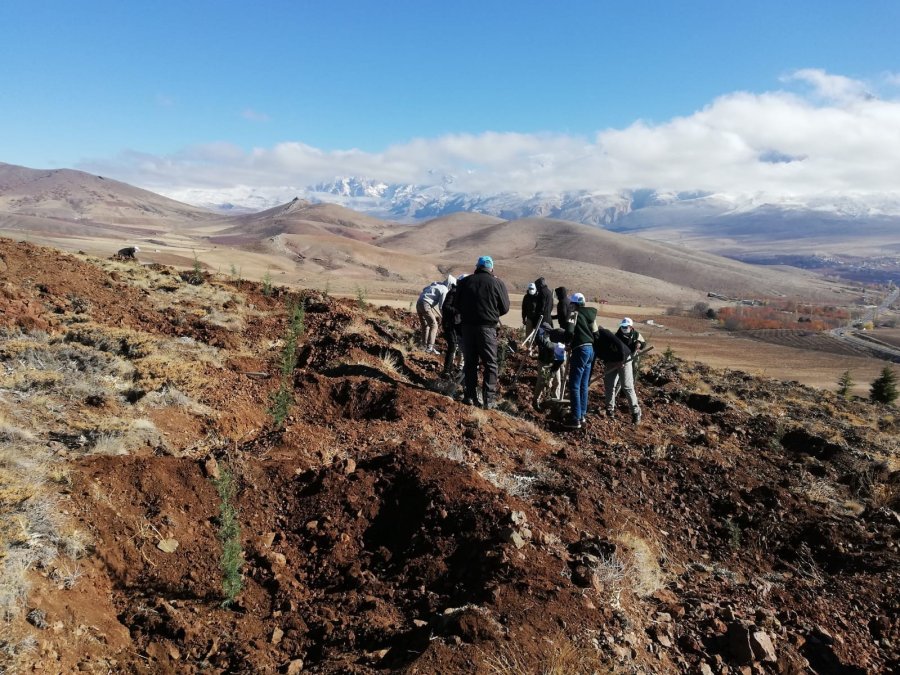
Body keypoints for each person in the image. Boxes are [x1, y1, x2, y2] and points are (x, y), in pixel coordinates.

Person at [456, 255, 510, 409]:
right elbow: (505, 307)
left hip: (467, 328)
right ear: (491, 268)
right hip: (487, 328)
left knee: (470, 362)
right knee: (491, 364)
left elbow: (456, 303)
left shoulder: (465, 282)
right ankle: (489, 400)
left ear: (477, 267)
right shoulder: (497, 283)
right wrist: (491, 313)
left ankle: (470, 396)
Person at [595, 323, 642, 425]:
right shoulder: (592, 341)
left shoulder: (603, 333)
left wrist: (621, 360)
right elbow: (600, 355)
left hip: (624, 358)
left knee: (626, 386)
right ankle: (609, 410)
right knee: (609, 385)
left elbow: (620, 345)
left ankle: (636, 412)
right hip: (611, 361)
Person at [564, 293, 597, 429]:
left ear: (574, 304)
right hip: (590, 350)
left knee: (574, 385)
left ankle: (575, 418)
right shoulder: (591, 316)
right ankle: (582, 415)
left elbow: (570, 332)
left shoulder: (573, 314)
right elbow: (596, 333)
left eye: (571, 303)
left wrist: (567, 342)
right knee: (584, 385)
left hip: (580, 350)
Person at [532, 324, 567, 410]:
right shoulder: (547, 341)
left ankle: (556, 403)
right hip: (544, 362)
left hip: (554, 362)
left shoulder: (561, 344)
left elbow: (559, 362)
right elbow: (540, 330)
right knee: (542, 382)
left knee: (557, 382)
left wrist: (552, 374)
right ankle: (535, 401)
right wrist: (548, 378)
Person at [416, 277, 451, 354]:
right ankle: (430, 348)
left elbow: (424, 289)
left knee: (425, 326)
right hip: (426, 304)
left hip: (419, 302)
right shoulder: (444, 289)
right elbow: (441, 306)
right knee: (434, 325)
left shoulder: (436, 285)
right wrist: (444, 317)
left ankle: (423, 346)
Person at [441, 274, 465, 377]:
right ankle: (447, 371)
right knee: (452, 346)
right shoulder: (453, 292)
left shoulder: (460, 293)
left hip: (457, 324)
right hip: (450, 324)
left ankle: (457, 369)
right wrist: (458, 311)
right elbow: (445, 307)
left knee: (461, 346)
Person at [521, 283, 540, 354]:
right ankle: (529, 350)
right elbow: (524, 308)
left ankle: (536, 349)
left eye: (532, 289)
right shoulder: (526, 297)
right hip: (529, 318)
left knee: (537, 335)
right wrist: (523, 318)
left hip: (537, 319)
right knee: (528, 335)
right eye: (530, 289)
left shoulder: (538, 297)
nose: (531, 290)